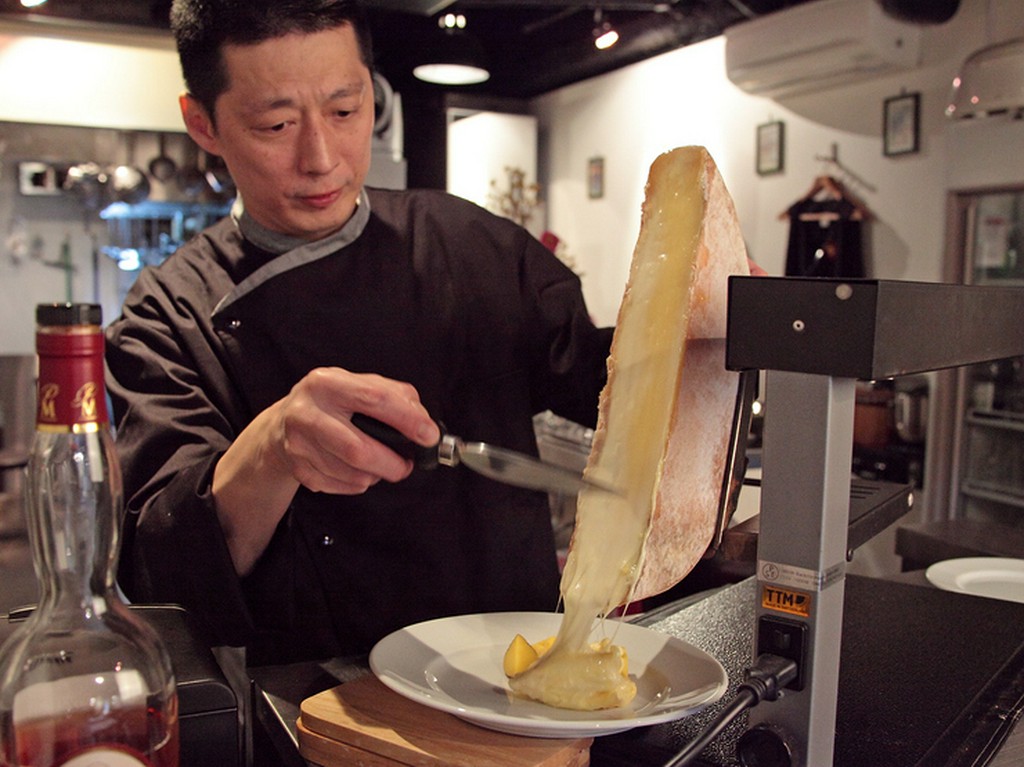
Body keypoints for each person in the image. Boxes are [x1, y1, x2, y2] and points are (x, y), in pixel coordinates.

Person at [104, 0, 613, 665]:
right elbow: (165, 571)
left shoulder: (474, 245)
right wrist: (275, 448)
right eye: (276, 123)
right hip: (315, 712)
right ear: (203, 123)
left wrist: (704, 332)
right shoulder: (169, 313)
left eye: (346, 111)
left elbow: (610, 390)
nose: (321, 157)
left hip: (516, 686)